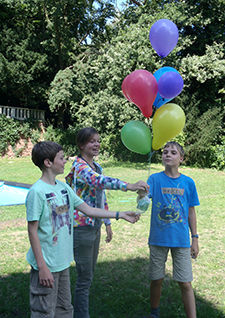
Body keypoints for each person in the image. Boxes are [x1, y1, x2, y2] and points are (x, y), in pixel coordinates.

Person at [26, 140, 140, 318]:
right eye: (61, 158)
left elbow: (89, 209)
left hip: (62, 263)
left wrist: (120, 214)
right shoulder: (37, 192)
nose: (65, 161)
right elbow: (32, 231)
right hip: (46, 264)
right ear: (48, 163)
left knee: (64, 309)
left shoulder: (63, 188)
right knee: (44, 311)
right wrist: (42, 267)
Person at [65, 127, 149, 318]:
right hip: (82, 227)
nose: (96, 144)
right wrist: (129, 186)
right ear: (81, 145)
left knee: (89, 275)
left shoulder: (97, 166)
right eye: (91, 141)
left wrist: (107, 224)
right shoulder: (79, 167)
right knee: (84, 279)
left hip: (95, 225)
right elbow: (98, 182)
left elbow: (100, 197)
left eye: (98, 140)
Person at [140, 141, 200, 318]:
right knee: (156, 279)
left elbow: (191, 211)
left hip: (181, 240)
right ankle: (154, 313)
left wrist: (194, 238)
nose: (167, 154)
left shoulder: (188, 182)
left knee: (185, 284)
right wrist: (142, 195)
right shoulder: (155, 179)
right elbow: (144, 201)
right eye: (165, 152)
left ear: (181, 158)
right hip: (158, 238)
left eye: (173, 152)